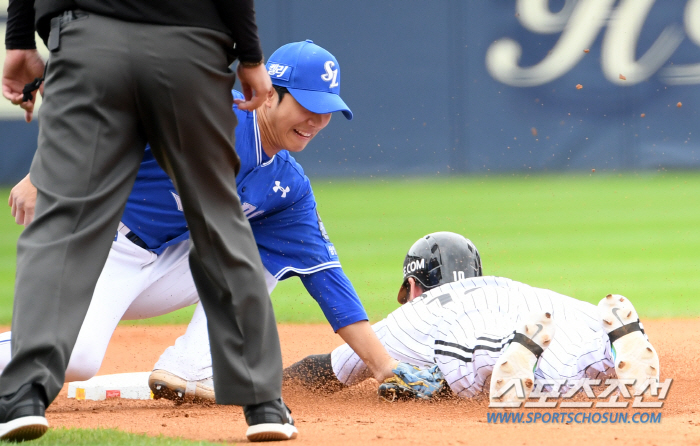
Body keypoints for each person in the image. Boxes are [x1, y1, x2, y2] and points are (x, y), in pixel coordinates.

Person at [3, 41, 399, 405]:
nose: (316, 119)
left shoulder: (288, 187)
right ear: (267, 95)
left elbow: (327, 278)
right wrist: (44, 174)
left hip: (161, 267)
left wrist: (386, 369)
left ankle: (190, 366)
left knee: (265, 249)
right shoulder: (210, 112)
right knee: (77, 360)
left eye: (326, 110)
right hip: (98, 244)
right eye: (307, 105)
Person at [0, 0, 291, 442]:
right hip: (189, 45)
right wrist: (251, 57)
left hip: (86, 41)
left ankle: (23, 393)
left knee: (63, 220)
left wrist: (19, 40)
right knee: (218, 218)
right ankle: (262, 402)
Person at [284, 232, 661, 402]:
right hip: (551, 313)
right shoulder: (507, 287)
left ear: (414, 286)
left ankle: (513, 352)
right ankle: (613, 346)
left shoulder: (416, 313)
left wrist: (265, 384)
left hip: (483, 340)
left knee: (466, 357)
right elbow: (579, 311)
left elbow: (325, 369)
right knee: (580, 355)